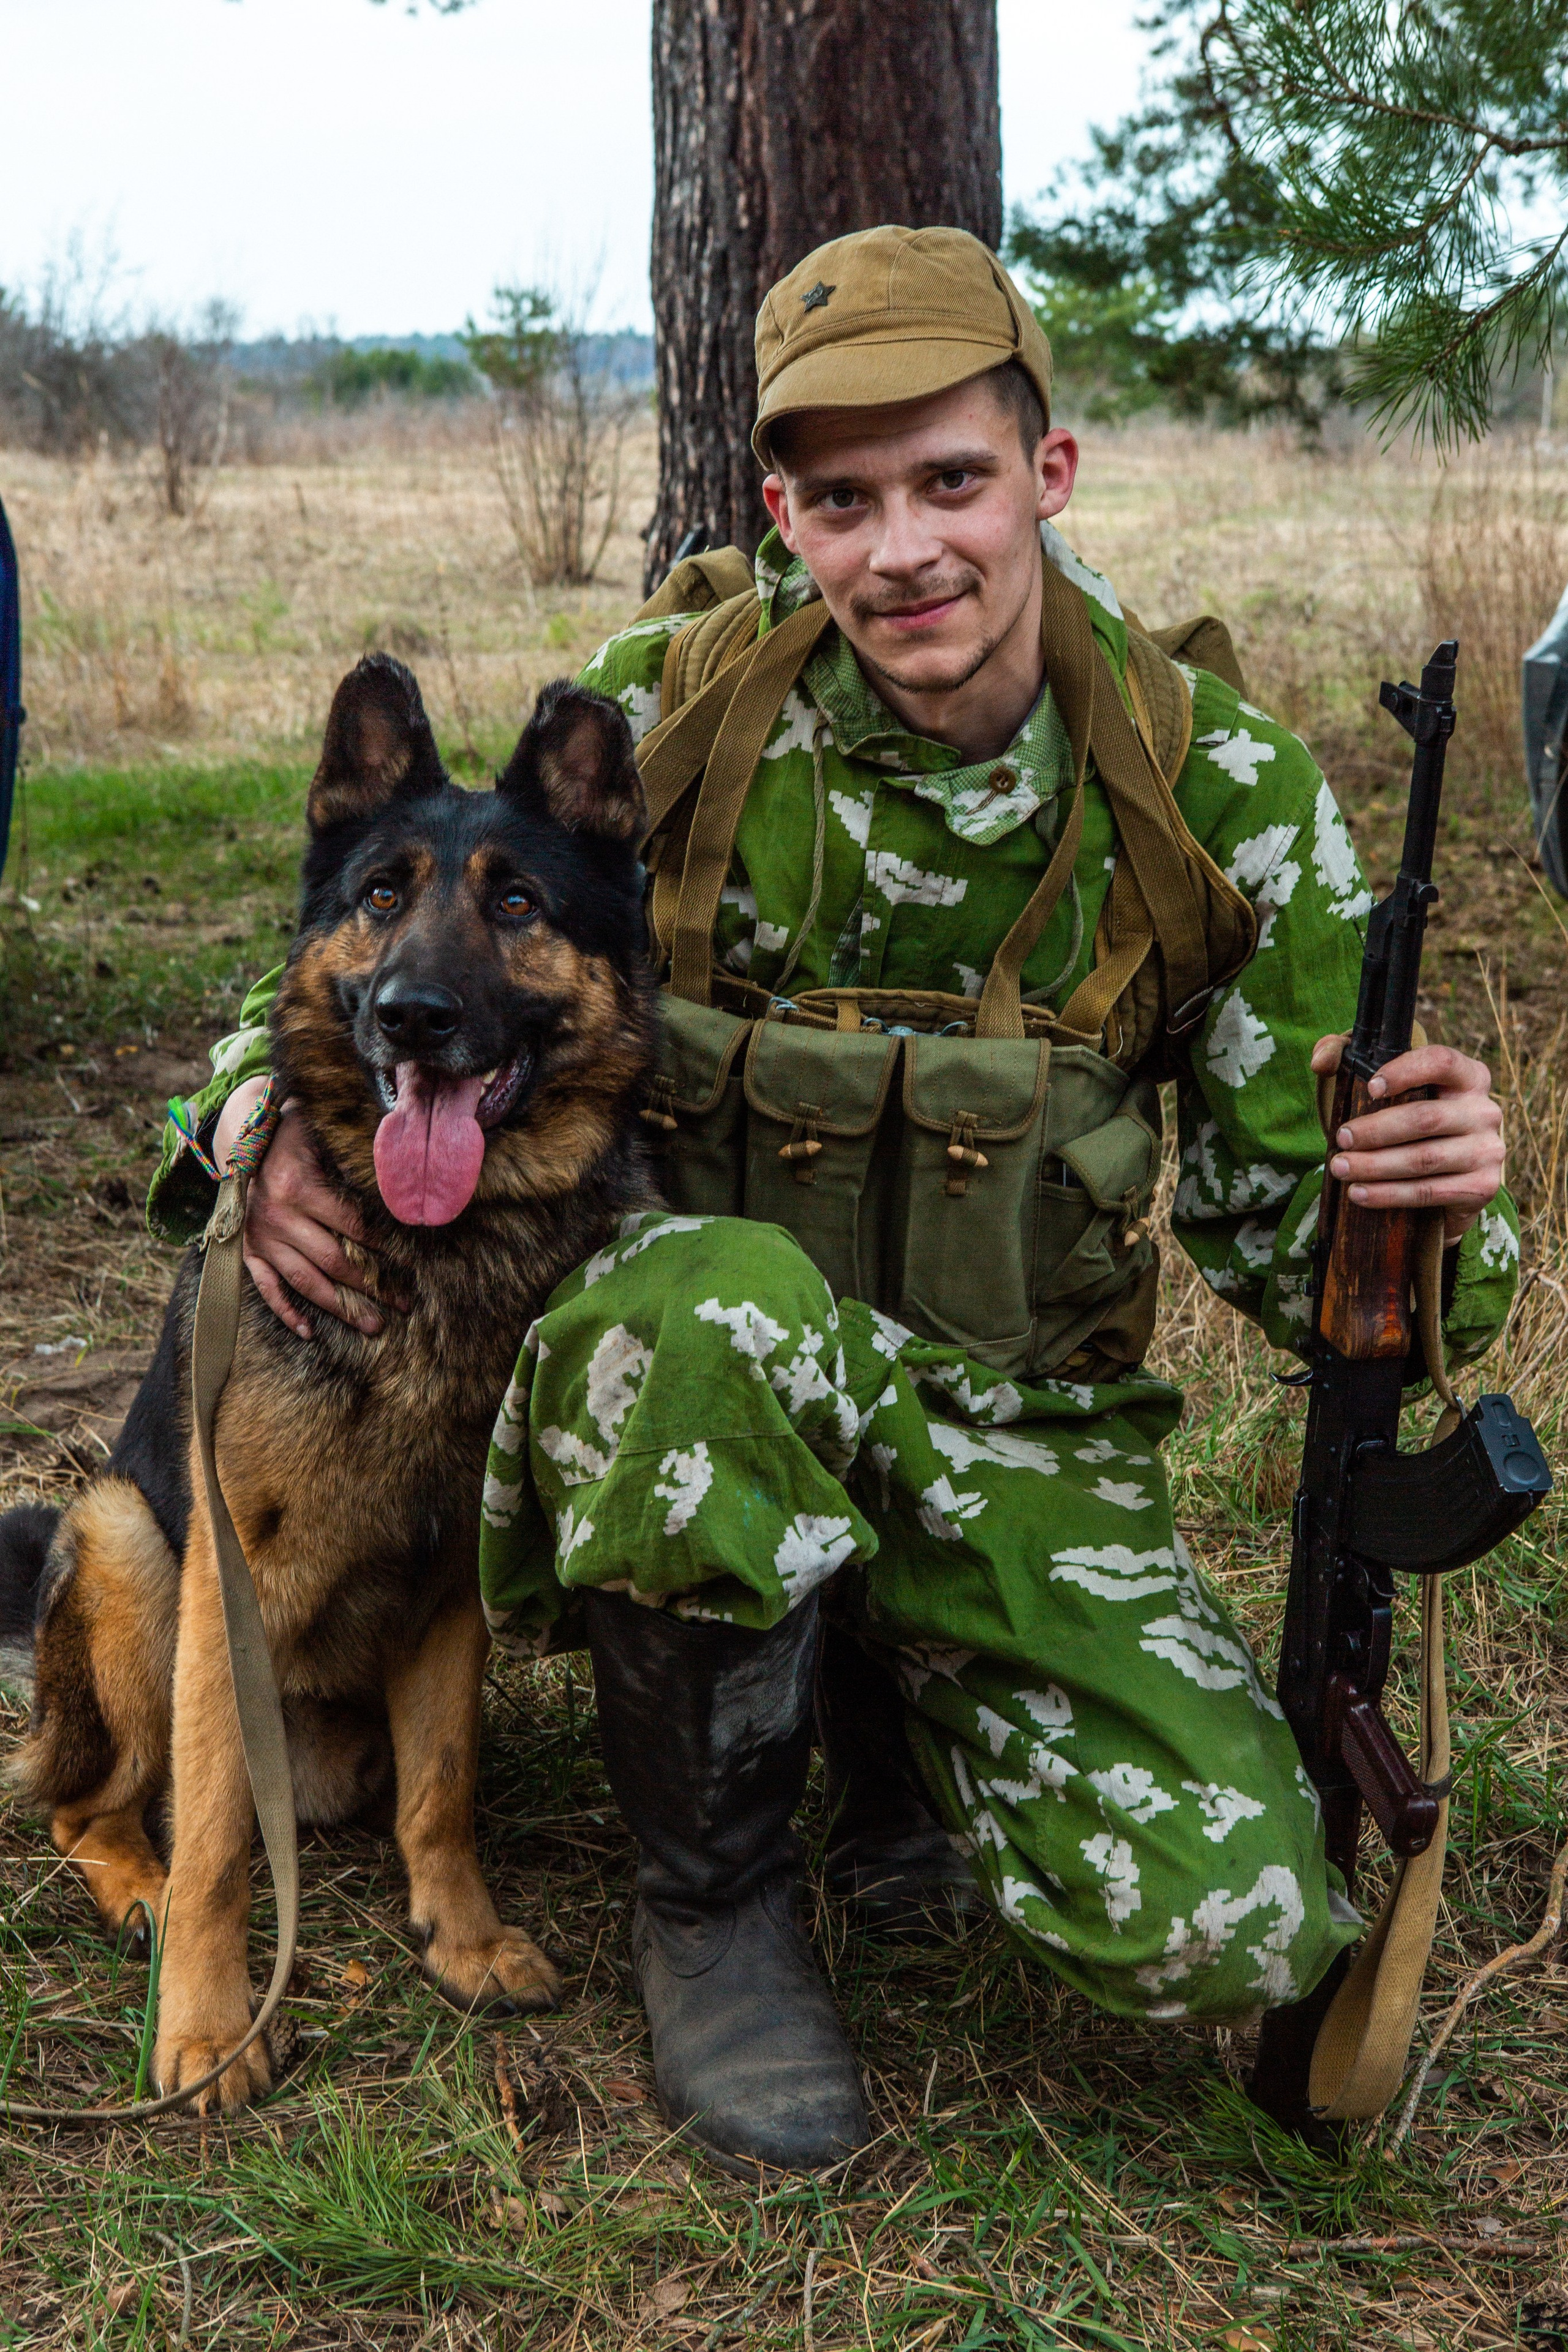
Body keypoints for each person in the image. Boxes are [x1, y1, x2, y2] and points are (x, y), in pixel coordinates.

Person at [149, 227, 1514, 2175]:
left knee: (1238, 1915)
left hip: (1016, 1430)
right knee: (688, 1309)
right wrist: (246, 1128)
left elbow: (1307, 1253)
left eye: (953, 482)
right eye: (845, 502)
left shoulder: (1219, 798)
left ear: (1047, 472)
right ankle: (714, 1905)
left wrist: (1431, 1193)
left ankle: (902, 1721)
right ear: (783, 513)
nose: (905, 553)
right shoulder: (669, 718)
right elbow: (372, 936)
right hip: (704, 1420)